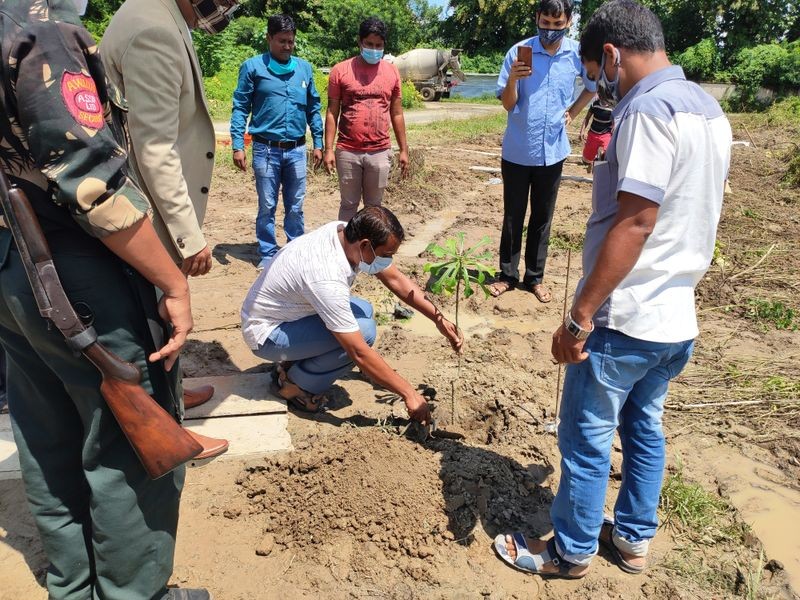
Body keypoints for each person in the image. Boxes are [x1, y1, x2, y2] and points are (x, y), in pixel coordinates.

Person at [493, 0, 731, 578]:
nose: (599, 84)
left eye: (596, 71)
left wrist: (579, 317)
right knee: (644, 428)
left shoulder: (647, 111)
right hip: (675, 318)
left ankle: (569, 551)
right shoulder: (707, 109)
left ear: (611, 55)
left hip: (625, 317)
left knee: (586, 436)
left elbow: (636, 222)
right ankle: (631, 539)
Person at [0, 1, 220, 597]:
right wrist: (172, 281)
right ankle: (133, 593)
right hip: (76, 267)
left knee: (47, 438)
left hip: (11, 267)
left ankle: (73, 587)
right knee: (127, 446)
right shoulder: (41, 32)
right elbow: (93, 187)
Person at [101, 0, 240, 410]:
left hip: (143, 202)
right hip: (143, 209)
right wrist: (189, 237)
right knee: (150, 314)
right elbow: (155, 148)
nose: (227, 7)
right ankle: (162, 416)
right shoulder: (154, 30)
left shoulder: (161, 16)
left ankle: (170, 393)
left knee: (160, 312)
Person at [241, 206, 462, 421]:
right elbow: (359, 352)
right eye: (386, 255)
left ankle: (292, 363)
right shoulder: (326, 275)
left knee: (363, 309)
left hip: (288, 316)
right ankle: (297, 386)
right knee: (364, 333)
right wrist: (409, 394)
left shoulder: (345, 233)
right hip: (268, 335)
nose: (387, 261)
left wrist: (438, 319)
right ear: (365, 245)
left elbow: (396, 280)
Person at [489, 0, 596, 303]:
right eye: (545, 23)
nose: (550, 29)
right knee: (513, 215)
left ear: (568, 22)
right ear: (537, 18)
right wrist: (513, 79)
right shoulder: (518, 52)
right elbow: (508, 104)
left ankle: (534, 278)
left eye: (557, 24)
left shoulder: (576, 54)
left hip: (553, 150)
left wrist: (573, 112)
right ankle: (507, 275)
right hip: (517, 150)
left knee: (542, 217)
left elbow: (592, 86)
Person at [230, 14, 324, 270]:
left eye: (291, 41)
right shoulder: (252, 68)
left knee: (296, 206)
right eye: (282, 41)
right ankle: (268, 252)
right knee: (267, 205)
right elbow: (240, 107)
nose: (287, 46)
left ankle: (295, 251)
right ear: (269, 38)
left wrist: (318, 142)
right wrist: (238, 145)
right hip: (266, 150)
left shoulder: (304, 69)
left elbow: (313, 108)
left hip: (296, 149)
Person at [324, 17, 409, 221]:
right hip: (348, 151)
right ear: (359, 42)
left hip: (380, 151)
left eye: (378, 45)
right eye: (369, 44)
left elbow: (397, 113)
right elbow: (332, 112)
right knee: (348, 204)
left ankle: (369, 241)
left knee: (374, 208)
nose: (374, 49)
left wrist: (404, 150)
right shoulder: (340, 70)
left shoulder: (392, 71)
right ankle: (345, 242)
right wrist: (329, 150)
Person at [580, 96, 614, 170]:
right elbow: (587, 118)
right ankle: (591, 163)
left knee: (604, 156)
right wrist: (582, 131)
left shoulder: (613, 107)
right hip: (593, 133)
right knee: (586, 160)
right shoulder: (595, 104)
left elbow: (615, 122)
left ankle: (598, 168)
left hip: (606, 135)